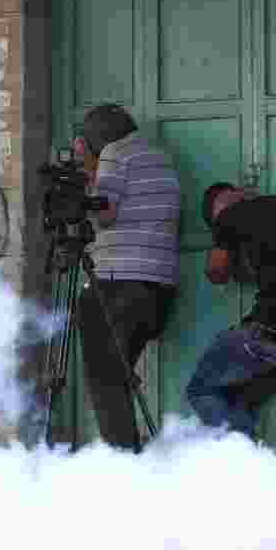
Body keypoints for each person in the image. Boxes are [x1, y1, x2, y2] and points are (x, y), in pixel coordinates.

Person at [76, 104, 181, 451]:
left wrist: (87, 175)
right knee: (117, 373)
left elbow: (104, 213)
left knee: (104, 376)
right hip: (158, 288)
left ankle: (123, 461)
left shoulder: (115, 154)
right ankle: (129, 451)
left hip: (118, 283)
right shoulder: (159, 157)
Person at [186, 183, 276, 439]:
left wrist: (223, 244)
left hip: (269, 332)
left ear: (217, 212)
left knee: (201, 390)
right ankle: (252, 468)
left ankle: (238, 462)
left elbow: (216, 273)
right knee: (235, 399)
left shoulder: (227, 218)